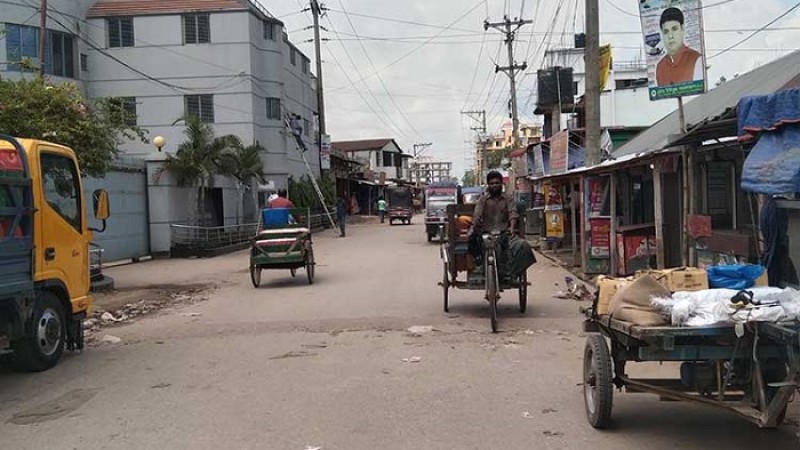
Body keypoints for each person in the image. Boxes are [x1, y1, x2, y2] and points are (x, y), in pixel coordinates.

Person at [469, 171, 536, 281]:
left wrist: (512, 228)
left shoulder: (508, 198)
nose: (494, 185)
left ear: (501, 184)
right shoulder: (483, 200)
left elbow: (513, 213)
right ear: (488, 185)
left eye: (497, 183)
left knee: (523, 246)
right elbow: (477, 214)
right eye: (492, 183)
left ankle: (511, 272)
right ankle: (480, 266)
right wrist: (472, 228)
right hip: (486, 233)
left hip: (504, 232)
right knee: (473, 244)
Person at [655, 7, 703, 87]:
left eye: (674, 29)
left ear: (682, 28)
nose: (670, 36)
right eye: (666, 31)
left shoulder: (695, 59)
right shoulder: (660, 67)